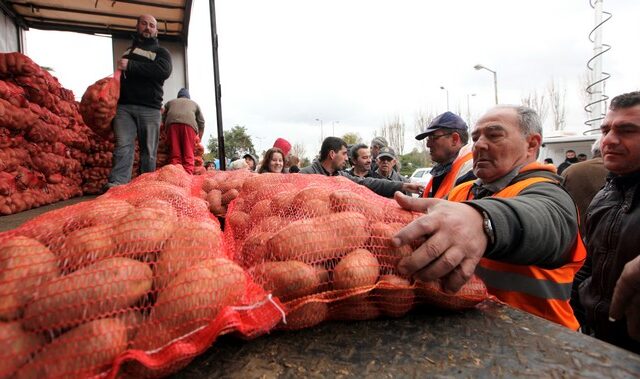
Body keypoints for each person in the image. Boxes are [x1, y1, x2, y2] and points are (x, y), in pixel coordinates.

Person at [392, 105, 585, 329]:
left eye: (494, 135)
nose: (479, 145)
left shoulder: (548, 193)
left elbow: (546, 218)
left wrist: (483, 221)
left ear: (531, 144)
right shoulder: (460, 193)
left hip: (540, 342)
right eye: (476, 138)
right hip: (473, 334)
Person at [574, 91, 640, 353]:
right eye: (606, 129)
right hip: (598, 341)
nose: (609, 140)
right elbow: (589, 265)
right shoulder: (604, 195)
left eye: (627, 130)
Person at [105, 14, 172, 190]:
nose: (148, 27)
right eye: (144, 24)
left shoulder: (161, 52)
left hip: (150, 108)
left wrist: (131, 66)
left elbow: (163, 71)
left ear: (156, 30)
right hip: (124, 107)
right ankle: (118, 184)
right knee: (123, 146)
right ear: (137, 26)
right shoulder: (128, 51)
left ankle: (145, 187)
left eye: (152, 25)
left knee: (149, 152)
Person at [300, 137, 421, 197]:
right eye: (344, 154)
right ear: (332, 154)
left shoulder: (342, 176)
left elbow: (368, 183)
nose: (347, 158)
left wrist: (403, 185)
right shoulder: (305, 175)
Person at [415, 111, 475, 198]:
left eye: (433, 138)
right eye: (428, 139)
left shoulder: (472, 171)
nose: (428, 144)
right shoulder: (444, 168)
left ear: (455, 139)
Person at [561, 136, 607, 234]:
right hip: (612, 235)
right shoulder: (626, 169)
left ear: (593, 151)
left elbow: (560, 200)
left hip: (578, 232)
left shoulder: (571, 170)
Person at [162, 88, 204, 174]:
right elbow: (201, 122)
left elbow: (163, 117)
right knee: (188, 153)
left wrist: (166, 130)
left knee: (175, 153)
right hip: (189, 127)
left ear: (178, 97)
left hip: (172, 125)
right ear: (188, 97)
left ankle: (175, 175)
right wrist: (199, 137)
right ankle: (188, 175)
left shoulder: (170, 102)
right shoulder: (194, 104)